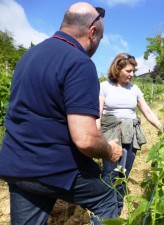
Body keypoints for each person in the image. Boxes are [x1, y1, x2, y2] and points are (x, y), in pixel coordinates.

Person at [0, 2, 122, 225]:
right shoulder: (79, 62)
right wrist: (109, 151)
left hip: (15, 163)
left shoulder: (29, 56)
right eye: (100, 39)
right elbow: (85, 140)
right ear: (92, 32)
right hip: (54, 169)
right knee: (106, 198)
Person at [97, 52, 162, 215]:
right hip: (111, 133)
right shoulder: (104, 87)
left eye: (133, 71)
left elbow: (146, 110)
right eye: (128, 71)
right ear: (117, 69)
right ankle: (106, 211)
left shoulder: (135, 89)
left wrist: (162, 128)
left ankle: (117, 209)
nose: (132, 75)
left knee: (124, 172)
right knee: (110, 173)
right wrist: (97, 135)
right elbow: (98, 112)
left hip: (131, 133)